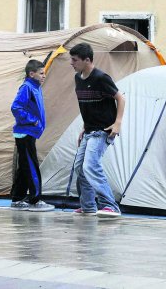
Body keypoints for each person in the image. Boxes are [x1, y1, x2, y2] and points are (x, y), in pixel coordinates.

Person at [69, 43, 125, 218]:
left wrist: (118, 123)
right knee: (79, 167)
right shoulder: (78, 78)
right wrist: (84, 128)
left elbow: (120, 98)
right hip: (89, 131)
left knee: (91, 165)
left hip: (103, 130)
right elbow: (87, 105)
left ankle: (110, 205)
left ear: (87, 60)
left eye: (74, 60)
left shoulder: (101, 78)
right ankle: (88, 206)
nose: (71, 63)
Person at [10, 59, 54, 212]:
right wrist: (32, 121)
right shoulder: (26, 87)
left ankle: (17, 198)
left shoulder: (36, 87)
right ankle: (35, 199)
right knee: (32, 165)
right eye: (41, 73)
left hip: (30, 133)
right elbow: (16, 107)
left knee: (24, 166)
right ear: (31, 74)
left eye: (44, 73)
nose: (44, 76)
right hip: (25, 132)